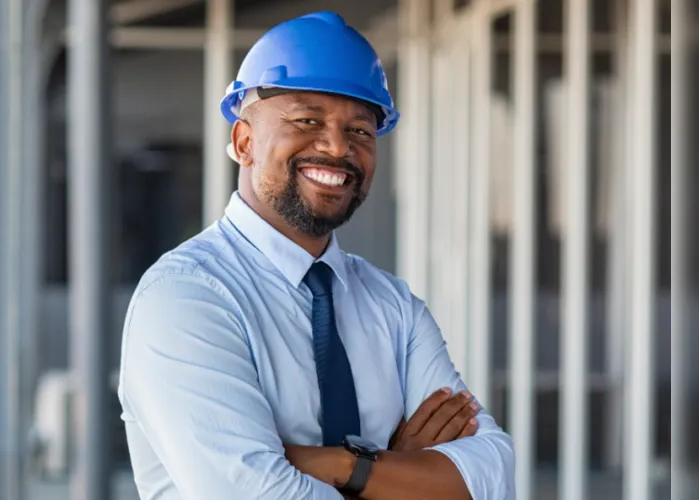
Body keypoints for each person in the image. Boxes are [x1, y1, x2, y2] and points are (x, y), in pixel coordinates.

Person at [117, 11, 515, 500]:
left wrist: (347, 465)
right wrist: (402, 469)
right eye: (307, 120)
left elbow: (492, 475)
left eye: (361, 132)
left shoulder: (394, 308)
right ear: (244, 142)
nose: (336, 147)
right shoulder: (186, 298)